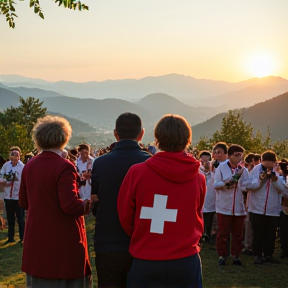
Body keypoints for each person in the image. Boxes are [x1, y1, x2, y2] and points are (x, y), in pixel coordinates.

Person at [117, 114, 206, 288]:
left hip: (146, 259)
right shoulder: (198, 178)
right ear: (187, 139)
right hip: (185, 261)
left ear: (157, 139)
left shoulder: (137, 172)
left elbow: (125, 215)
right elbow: (197, 213)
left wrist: (143, 235)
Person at [19, 115, 91, 288]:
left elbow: (23, 202)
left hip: (37, 239)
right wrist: (87, 204)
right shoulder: (64, 166)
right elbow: (69, 205)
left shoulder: (30, 165)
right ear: (64, 138)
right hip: (62, 242)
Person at [91, 112, 150, 288]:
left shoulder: (100, 163)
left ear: (115, 133)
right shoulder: (149, 163)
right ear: (141, 134)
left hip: (107, 241)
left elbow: (96, 202)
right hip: (140, 241)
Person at [247, 150, 288, 264]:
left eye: (271, 167)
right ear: (262, 162)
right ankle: (257, 255)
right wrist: (261, 180)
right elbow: (249, 186)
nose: (268, 170)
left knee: (270, 233)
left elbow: (284, 191)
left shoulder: (278, 173)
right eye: (266, 167)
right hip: (256, 208)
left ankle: (269, 255)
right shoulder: (255, 171)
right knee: (258, 233)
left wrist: (275, 181)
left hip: (272, 209)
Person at [214, 144, 249, 266]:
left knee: (238, 233)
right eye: (236, 155)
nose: (239, 157)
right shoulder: (221, 168)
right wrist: (228, 181)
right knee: (223, 233)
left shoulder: (244, 170)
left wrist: (243, 182)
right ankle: (222, 255)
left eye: (241, 155)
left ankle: (236, 255)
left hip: (239, 207)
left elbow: (246, 185)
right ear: (229, 156)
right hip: (224, 206)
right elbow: (216, 184)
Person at [0, 147, 25, 243]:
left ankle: (22, 238)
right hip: (8, 196)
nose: (14, 157)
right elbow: (1, 176)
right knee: (10, 218)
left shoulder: (22, 167)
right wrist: (6, 179)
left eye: (16, 155)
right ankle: (10, 238)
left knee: (20, 218)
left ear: (19, 156)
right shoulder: (6, 165)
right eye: (12, 155)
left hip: (18, 196)